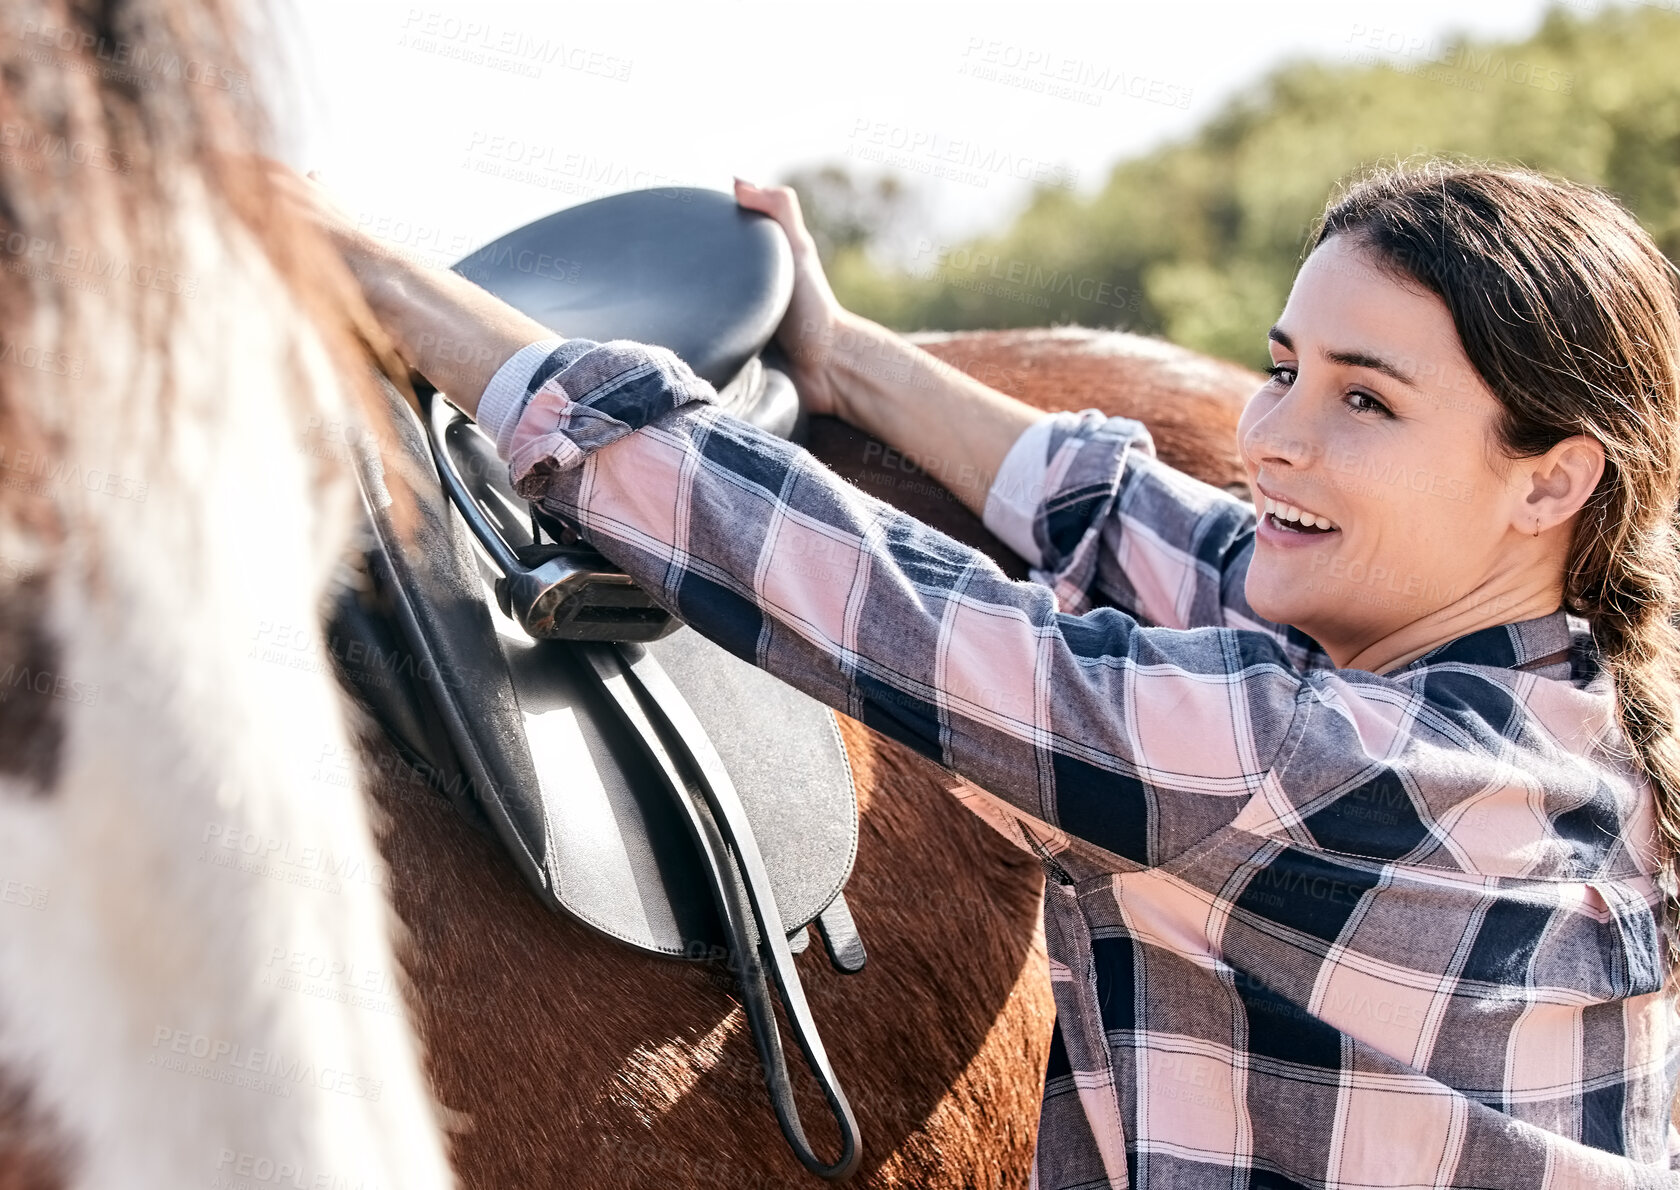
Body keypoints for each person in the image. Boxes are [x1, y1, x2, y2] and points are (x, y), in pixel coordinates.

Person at [298, 162, 1680, 1186]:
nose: (1274, 438)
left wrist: (383, 281)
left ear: (1551, 478)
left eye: (1364, 399)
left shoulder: (1325, 763)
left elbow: (893, 614)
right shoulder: (1555, 701)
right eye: (1282, 370)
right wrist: (853, 363)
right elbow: (1131, 513)